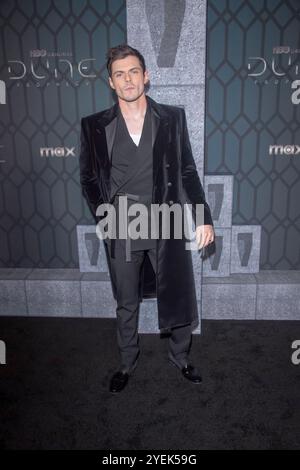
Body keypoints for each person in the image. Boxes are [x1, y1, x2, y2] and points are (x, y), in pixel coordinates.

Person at [80, 44, 214, 393]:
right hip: (122, 222)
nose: (128, 79)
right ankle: (126, 363)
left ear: (146, 76)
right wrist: (104, 216)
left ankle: (181, 357)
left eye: (134, 71)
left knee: (178, 292)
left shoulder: (172, 118)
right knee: (126, 300)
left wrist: (203, 217)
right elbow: (89, 179)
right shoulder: (94, 125)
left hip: (164, 217)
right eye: (120, 74)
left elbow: (187, 171)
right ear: (111, 82)